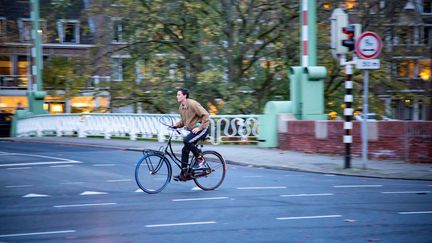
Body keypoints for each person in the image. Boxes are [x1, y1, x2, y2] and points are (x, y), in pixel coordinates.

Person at [172, 88, 210, 181]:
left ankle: (200, 160)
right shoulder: (181, 107)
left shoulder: (193, 104)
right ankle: (184, 174)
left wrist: (199, 127)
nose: (177, 96)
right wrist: (175, 125)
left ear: (185, 96)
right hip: (193, 131)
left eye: (179, 94)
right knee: (185, 150)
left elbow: (206, 115)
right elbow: (183, 121)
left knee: (186, 140)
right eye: (177, 95)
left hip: (203, 129)